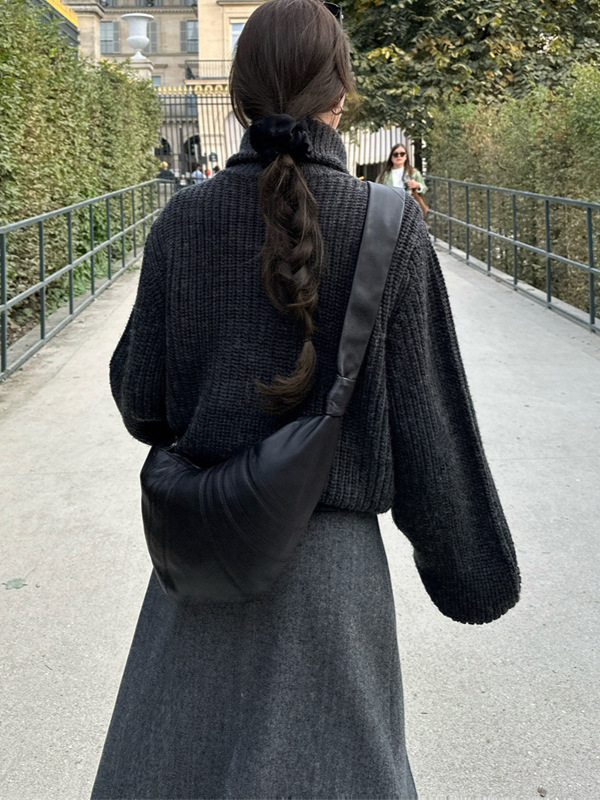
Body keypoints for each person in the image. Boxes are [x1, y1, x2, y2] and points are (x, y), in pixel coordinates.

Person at [91, 0, 520, 797]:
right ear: (340, 95)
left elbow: (140, 398)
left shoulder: (183, 220)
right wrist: (471, 573)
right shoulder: (389, 225)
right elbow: (429, 429)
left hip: (207, 555)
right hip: (332, 585)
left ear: (238, 97)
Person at [378, 144, 428, 214]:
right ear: (391, 157)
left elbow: (424, 188)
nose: (399, 156)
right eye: (396, 154)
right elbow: (377, 191)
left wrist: (417, 185)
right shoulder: (384, 175)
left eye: (402, 154)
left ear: (406, 156)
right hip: (390, 207)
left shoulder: (414, 172)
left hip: (409, 208)